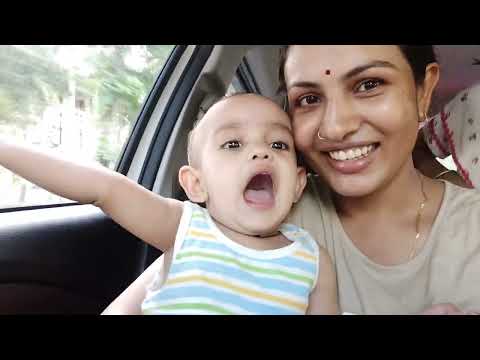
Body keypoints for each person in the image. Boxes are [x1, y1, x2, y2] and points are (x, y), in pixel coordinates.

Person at [104, 45, 480, 315]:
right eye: (309, 99)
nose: (336, 126)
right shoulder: (263, 210)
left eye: (369, 85)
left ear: (423, 90)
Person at [0, 93, 339, 315]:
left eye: (279, 144)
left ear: (297, 184)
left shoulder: (312, 259)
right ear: (196, 184)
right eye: (233, 143)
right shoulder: (184, 227)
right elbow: (104, 188)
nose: (260, 151)